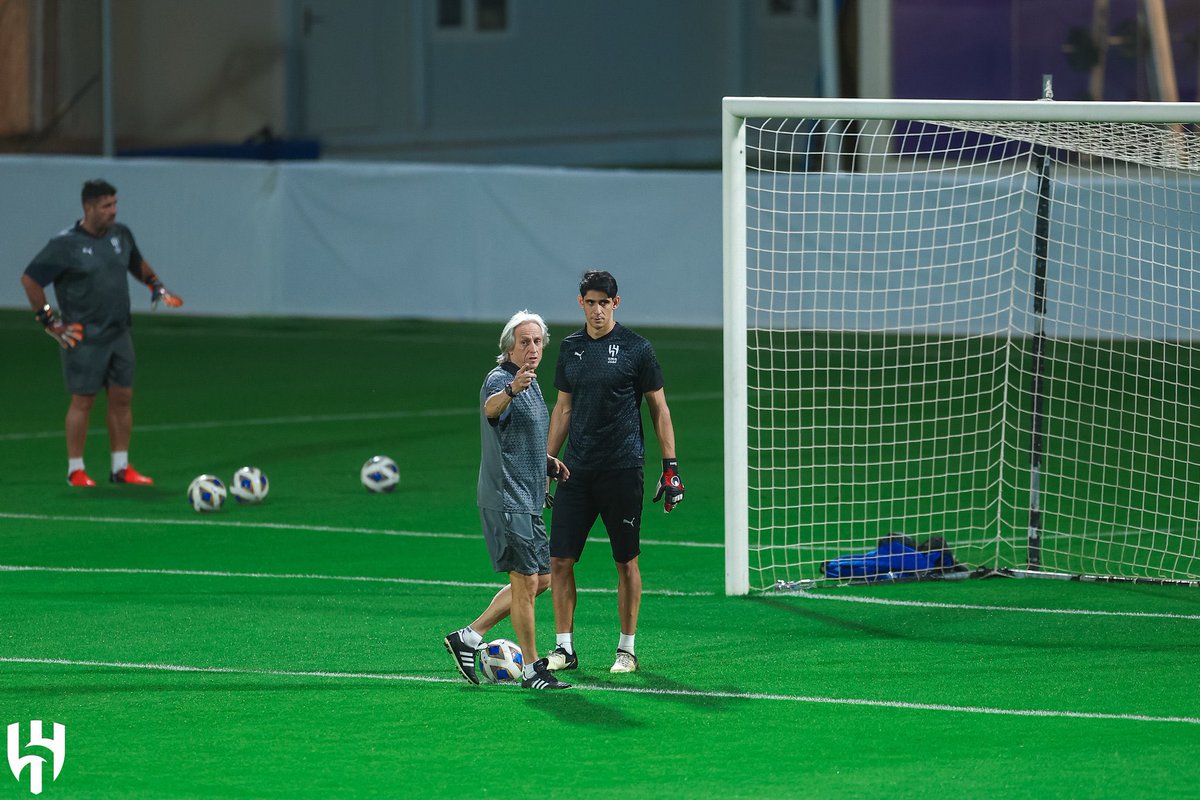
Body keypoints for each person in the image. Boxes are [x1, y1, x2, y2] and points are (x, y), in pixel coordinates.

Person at [544, 270, 684, 675]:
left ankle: (627, 649)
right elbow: (563, 409)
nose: (598, 309)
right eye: (591, 302)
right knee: (560, 561)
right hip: (576, 471)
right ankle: (564, 648)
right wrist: (546, 463)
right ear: (581, 303)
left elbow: (659, 409)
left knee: (625, 561)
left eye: (605, 302)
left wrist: (670, 468)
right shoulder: (570, 349)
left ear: (616, 304)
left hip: (623, 470)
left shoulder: (637, 349)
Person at [19, 179, 183, 487]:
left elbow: (136, 262)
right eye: (106, 206)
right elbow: (30, 279)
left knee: (122, 397)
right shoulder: (64, 244)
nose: (113, 211)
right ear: (88, 207)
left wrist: (156, 286)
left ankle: (121, 467)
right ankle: (75, 469)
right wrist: (49, 321)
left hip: (119, 332)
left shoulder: (121, 234)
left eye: (115, 204)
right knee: (83, 400)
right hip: (85, 336)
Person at [443, 310, 572, 690]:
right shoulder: (501, 380)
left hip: (529, 499)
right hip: (506, 499)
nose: (532, 348)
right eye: (524, 342)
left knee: (541, 581)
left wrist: (545, 462)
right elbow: (491, 410)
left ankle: (469, 636)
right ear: (509, 347)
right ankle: (533, 669)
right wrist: (512, 388)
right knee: (525, 581)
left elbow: (519, 437)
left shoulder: (531, 383)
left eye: (537, 342)